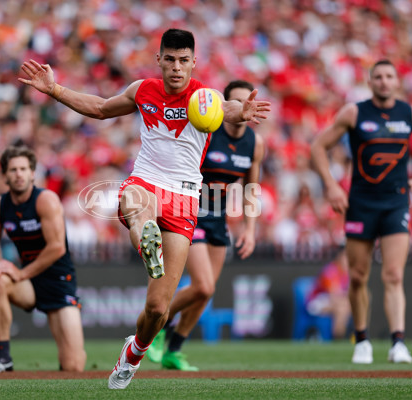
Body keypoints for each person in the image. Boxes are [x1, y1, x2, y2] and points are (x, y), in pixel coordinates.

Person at [19, 28, 270, 389]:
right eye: (170, 59)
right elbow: (102, 108)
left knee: (157, 310)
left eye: (184, 60)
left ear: (194, 62)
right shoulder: (142, 90)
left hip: (184, 200)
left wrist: (240, 112)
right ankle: (145, 240)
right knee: (140, 205)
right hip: (146, 183)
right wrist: (55, 90)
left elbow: (227, 109)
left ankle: (134, 352)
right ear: (159, 60)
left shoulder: (206, 97)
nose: (176, 67)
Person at [311, 59, 412, 364]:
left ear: (397, 81)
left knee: (394, 274)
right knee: (357, 276)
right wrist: (331, 185)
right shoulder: (354, 112)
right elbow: (318, 146)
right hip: (361, 203)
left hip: (395, 202)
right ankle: (363, 340)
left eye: (389, 76)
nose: (383, 81)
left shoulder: (410, 113)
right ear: (370, 82)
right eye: (377, 76)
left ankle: (398, 342)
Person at [145, 80, 264, 371]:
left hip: (219, 217)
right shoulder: (206, 130)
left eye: (244, 102)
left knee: (206, 292)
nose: (240, 107)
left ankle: (174, 349)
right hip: (190, 211)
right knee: (203, 284)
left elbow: (252, 187)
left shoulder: (254, 143)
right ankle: (157, 325)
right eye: (234, 102)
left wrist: (250, 229)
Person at [0, 145, 86, 372]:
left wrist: (20, 272)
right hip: (29, 283)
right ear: (5, 175)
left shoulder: (45, 200)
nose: (19, 174)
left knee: (74, 366)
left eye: (24, 169)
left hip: (59, 282)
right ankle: (3, 357)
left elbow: (56, 248)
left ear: (32, 173)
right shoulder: (0, 205)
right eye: (13, 169)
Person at [305, 246, 351, 339]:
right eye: (346, 256)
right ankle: (338, 339)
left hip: (335, 303)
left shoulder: (347, 273)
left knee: (348, 306)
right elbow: (335, 296)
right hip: (316, 302)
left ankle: (348, 336)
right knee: (342, 308)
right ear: (339, 256)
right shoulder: (331, 271)